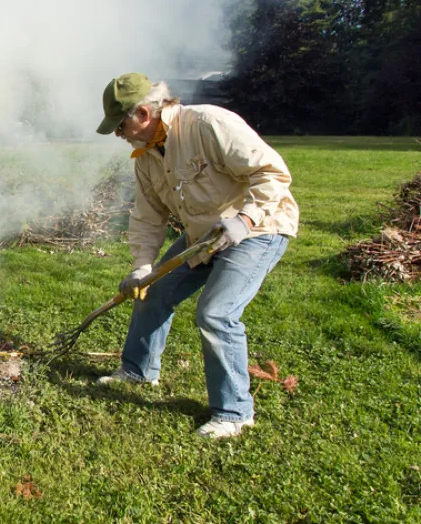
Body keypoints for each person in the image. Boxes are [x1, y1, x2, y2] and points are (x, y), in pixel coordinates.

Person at [95, 72, 299, 438]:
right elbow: (147, 216)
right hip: (204, 235)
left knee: (216, 313)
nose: (117, 134)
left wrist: (246, 218)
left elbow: (271, 173)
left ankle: (234, 412)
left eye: (120, 124)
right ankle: (138, 371)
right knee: (153, 290)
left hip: (259, 228)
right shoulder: (146, 158)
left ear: (143, 113)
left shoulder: (208, 124)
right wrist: (142, 267)